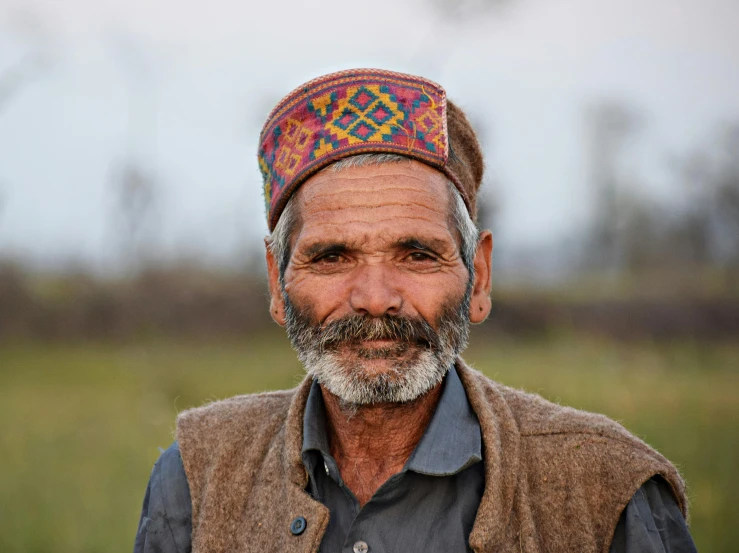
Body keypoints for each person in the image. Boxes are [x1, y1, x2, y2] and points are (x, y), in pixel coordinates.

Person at [133, 68, 697, 553]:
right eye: (332, 257)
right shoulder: (197, 476)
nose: (376, 297)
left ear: (478, 276)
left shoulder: (605, 491)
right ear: (277, 285)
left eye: (417, 254)